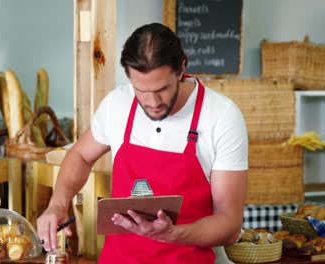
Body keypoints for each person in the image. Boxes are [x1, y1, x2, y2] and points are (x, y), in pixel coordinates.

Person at [37, 22, 248, 263]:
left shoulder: (221, 116)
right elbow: (81, 156)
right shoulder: (117, 103)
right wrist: (57, 204)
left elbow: (229, 223)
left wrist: (173, 234)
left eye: (162, 89)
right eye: (140, 90)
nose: (152, 102)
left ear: (182, 69)